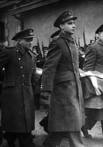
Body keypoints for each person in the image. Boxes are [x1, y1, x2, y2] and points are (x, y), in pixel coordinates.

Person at [40, 10, 84, 147]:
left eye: (74, 23)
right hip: (63, 88)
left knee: (62, 120)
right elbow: (49, 67)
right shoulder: (57, 42)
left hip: (74, 85)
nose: (74, 26)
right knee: (73, 118)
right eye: (70, 23)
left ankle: (50, 143)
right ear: (61, 26)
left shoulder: (71, 41)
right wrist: (45, 90)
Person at [0, 28, 38, 147]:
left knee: (25, 120)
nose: (31, 42)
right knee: (16, 119)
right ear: (19, 41)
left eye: (31, 40)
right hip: (12, 94)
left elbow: (33, 76)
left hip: (27, 93)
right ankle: (24, 141)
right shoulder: (10, 52)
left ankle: (11, 136)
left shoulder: (32, 56)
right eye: (27, 40)